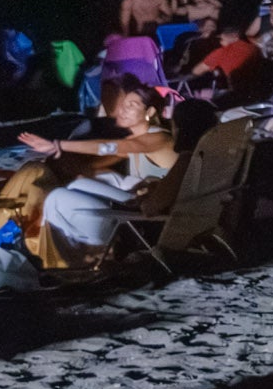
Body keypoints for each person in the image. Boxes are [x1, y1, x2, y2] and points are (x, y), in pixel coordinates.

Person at [20, 78, 182, 261]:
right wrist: (78, 169)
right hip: (143, 206)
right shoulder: (139, 140)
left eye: (132, 105)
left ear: (150, 111)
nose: (123, 109)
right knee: (81, 183)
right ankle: (54, 243)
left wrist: (58, 145)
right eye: (123, 104)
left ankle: (55, 252)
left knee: (56, 198)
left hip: (151, 223)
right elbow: (103, 160)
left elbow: (111, 146)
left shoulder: (157, 139)